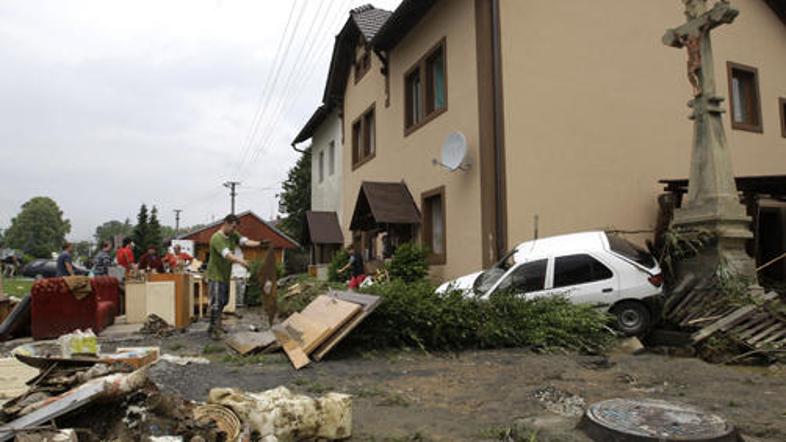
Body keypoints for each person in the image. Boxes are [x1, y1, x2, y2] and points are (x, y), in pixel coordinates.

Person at [206, 214, 264, 339]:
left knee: (223, 301)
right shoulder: (216, 238)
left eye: (235, 227)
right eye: (232, 227)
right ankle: (214, 331)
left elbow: (245, 241)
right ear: (225, 223)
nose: (234, 230)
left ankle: (217, 325)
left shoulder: (233, 235)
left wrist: (260, 243)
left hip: (225, 274)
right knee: (216, 303)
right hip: (215, 274)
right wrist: (241, 262)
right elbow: (227, 254)